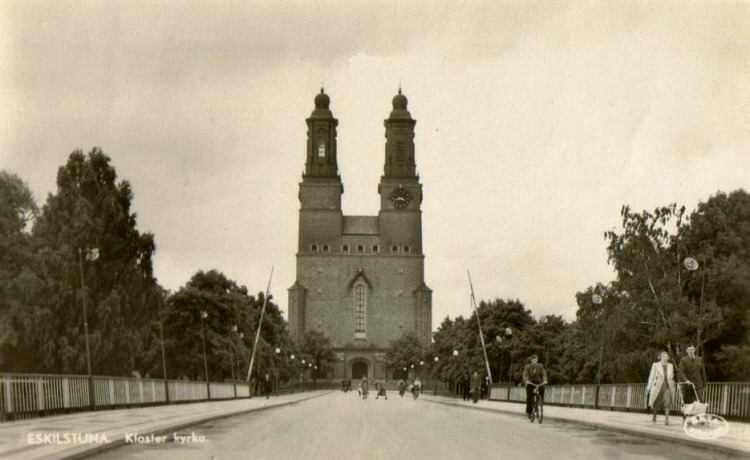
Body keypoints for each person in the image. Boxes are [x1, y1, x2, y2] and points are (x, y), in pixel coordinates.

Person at [646, 351, 675, 425]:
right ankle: (654, 418)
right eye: (663, 357)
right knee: (656, 402)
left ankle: (667, 419)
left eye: (666, 357)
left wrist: (673, 383)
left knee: (667, 402)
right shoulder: (655, 365)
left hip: (667, 387)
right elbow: (651, 376)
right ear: (660, 357)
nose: (665, 358)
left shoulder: (671, 365)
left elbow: (672, 377)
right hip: (658, 386)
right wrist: (649, 387)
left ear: (668, 358)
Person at [522, 355, 547, 420]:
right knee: (529, 397)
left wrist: (545, 380)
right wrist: (526, 381)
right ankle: (529, 412)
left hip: (537, 382)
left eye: (535, 360)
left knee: (542, 388)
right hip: (530, 382)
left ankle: (540, 402)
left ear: (537, 360)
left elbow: (544, 373)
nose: (534, 362)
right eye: (533, 360)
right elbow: (525, 375)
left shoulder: (540, 366)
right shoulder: (527, 367)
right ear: (531, 361)